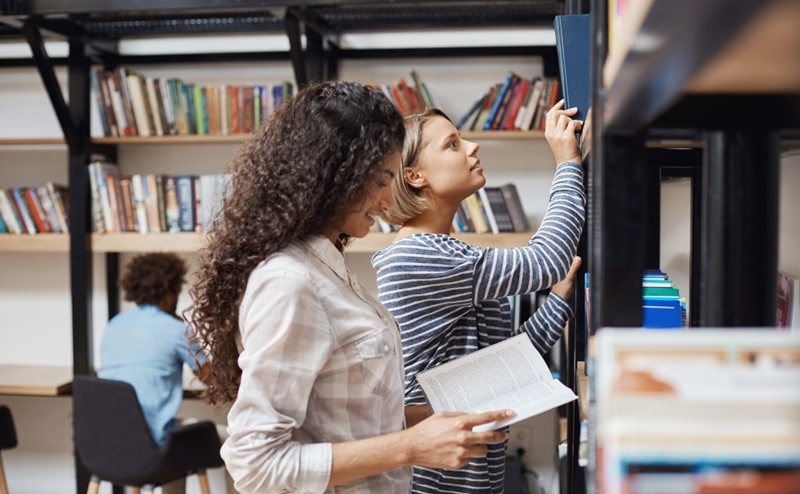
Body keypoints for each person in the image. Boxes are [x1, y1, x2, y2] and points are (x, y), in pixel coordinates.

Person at [186, 80, 514, 494]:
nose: (387, 199)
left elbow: (346, 419)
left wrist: (429, 421)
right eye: (381, 180)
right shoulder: (290, 283)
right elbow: (256, 464)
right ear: (336, 177)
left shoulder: (329, 268)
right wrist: (410, 447)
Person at [371, 100, 586, 493]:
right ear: (414, 175)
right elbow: (547, 260)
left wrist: (558, 299)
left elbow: (508, 368)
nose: (472, 147)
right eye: (452, 144)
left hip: (473, 476)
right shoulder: (419, 256)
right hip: (435, 482)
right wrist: (567, 162)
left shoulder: (448, 252)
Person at [97, 252, 236, 494]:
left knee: (176, 436)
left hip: (108, 443)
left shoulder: (115, 324)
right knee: (237, 443)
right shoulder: (175, 330)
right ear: (171, 291)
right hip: (151, 447)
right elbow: (214, 380)